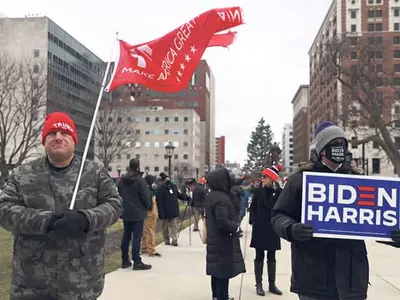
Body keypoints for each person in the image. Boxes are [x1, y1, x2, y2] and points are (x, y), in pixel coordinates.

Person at [0, 111, 122, 300]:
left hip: (82, 282)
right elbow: (4, 210)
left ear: (74, 140)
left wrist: (86, 219)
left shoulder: (95, 172)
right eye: (52, 133)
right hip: (32, 283)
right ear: (44, 141)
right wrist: (46, 221)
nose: (58, 137)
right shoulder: (22, 174)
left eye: (64, 133)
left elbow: (114, 205)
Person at [271, 121, 400, 300]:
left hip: (351, 279)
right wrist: (291, 229)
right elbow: (278, 215)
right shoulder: (300, 181)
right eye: (334, 144)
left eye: (343, 143)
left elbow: (373, 220)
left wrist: (393, 235)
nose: (339, 147)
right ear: (322, 149)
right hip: (313, 279)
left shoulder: (359, 181)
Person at [204, 167, 246, 300]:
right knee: (223, 271)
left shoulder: (212, 195)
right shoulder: (221, 198)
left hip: (215, 239)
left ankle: (216, 295)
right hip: (222, 240)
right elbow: (222, 221)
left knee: (216, 271)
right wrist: (236, 227)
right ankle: (222, 296)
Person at [249, 165, 283, 297]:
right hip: (260, 227)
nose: (262, 179)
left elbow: (281, 207)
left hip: (273, 227)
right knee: (259, 256)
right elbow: (252, 208)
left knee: (272, 256)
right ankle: (259, 284)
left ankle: (272, 284)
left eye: (265, 177)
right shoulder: (258, 191)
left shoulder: (279, 192)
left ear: (272, 179)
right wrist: (254, 220)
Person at [118, 158, 152, 270]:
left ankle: (124, 260)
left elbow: (117, 193)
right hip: (137, 212)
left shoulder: (122, 180)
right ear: (138, 166)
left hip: (126, 211)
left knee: (126, 235)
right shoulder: (139, 180)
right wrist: (148, 206)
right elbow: (145, 195)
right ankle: (136, 261)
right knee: (137, 237)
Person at [155, 172, 186, 246]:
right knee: (168, 226)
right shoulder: (161, 189)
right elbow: (159, 201)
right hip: (167, 210)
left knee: (170, 226)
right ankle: (168, 240)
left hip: (170, 210)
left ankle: (173, 240)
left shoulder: (172, 187)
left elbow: (178, 195)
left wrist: (187, 198)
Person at [141, 174, 161, 257]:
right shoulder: (150, 190)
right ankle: (151, 249)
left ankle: (145, 247)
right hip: (151, 211)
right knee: (150, 231)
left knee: (146, 230)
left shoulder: (145, 189)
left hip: (148, 211)